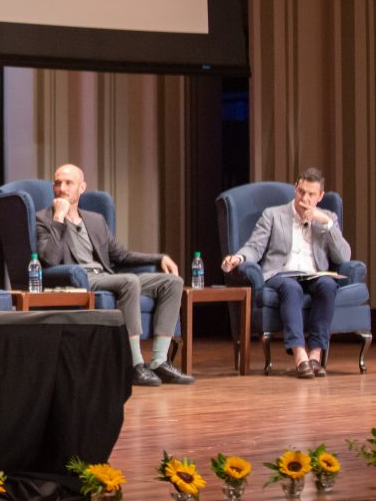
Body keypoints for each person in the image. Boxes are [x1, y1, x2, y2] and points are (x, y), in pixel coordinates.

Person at [36, 163, 193, 387]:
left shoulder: (95, 220)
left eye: (68, 183)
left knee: (172, 282)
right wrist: (58, 219)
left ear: (82, 188)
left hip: (105, 275)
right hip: (78, 279)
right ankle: (134, 364)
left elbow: (121, 255)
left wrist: (159, 258)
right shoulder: (44, 219)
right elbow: (49, 259)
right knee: (128, 281)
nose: (61, 188)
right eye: (57, 183)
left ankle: (159, 362)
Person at [222, 168, 349, 379]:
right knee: (291, 288)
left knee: (327, 285)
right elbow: (255, 246)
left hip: (315, 273)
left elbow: (344, 257)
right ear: (296, 189)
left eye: (310, 194)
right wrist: (239, 258)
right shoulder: (273, 215)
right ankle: (300, 356)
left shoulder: (328, 218)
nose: (304, 198)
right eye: (301, 191)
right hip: (282, 273)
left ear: (320, 196)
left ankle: (316, 355)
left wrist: (325, 223)